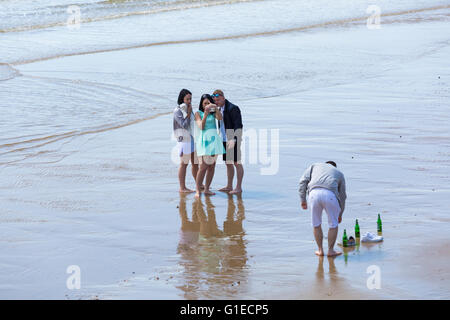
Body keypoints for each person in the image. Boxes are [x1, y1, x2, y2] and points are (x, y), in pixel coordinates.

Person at [299, 161, 347, 257]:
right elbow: (342, 196)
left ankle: (320, 250)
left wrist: (302, 199)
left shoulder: (314, 166)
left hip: (313, 193)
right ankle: (330, 251)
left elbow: (303, 182)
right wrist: (340, 214)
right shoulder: (339, 174)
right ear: (334, 167)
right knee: (333, 224)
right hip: (330, 194)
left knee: (316, 224)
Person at [211, 90, 244, 194]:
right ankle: (229, 186)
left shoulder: (233, 108)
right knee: (228, 163)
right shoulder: (218, 109)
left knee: (236, 163)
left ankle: (238, 187)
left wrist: (234, 139)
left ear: (223, 98)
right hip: (224, 139)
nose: (217, 102)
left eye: (218, 100)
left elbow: (238, 125)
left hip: (232, 138)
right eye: (215, 100)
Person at [194, 94, 225, 198]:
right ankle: (198, 190)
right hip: (204, 141)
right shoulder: (198, 113)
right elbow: (201, 127)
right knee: (203, 167)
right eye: (205, 103)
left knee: (212, 166)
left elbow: (220, 118)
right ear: (201, 104)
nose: (206, 105)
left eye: (208, 103)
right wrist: (206, 114)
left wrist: (215, 108)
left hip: (214, 140)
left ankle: (207, 189)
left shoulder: (214, 113)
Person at [173, 89, 199, 193]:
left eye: (190, 99)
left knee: (195, 163)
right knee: (184, 163)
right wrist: (188, 113)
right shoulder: (178, 110)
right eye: (187, 99)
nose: (189, 101)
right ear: (182, 99)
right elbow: (184, 125)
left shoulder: (189, 108)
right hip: (184, 139)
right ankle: (182, 187)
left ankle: (199, 184)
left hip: (192, 138)